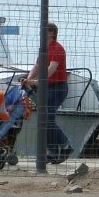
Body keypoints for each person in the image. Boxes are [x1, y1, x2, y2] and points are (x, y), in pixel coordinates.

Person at [25, 22, 73, 163]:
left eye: (44, 31)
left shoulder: (57, 48)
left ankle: (65, 145)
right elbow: (38, 66)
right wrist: (28, 80)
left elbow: (52, 68)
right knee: (44, 119)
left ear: (52, 33)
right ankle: (52, 151)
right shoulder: (44, 49)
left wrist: (38, 81)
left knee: (47, 118)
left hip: (57, 87)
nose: (41, 33)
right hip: (47, 88)